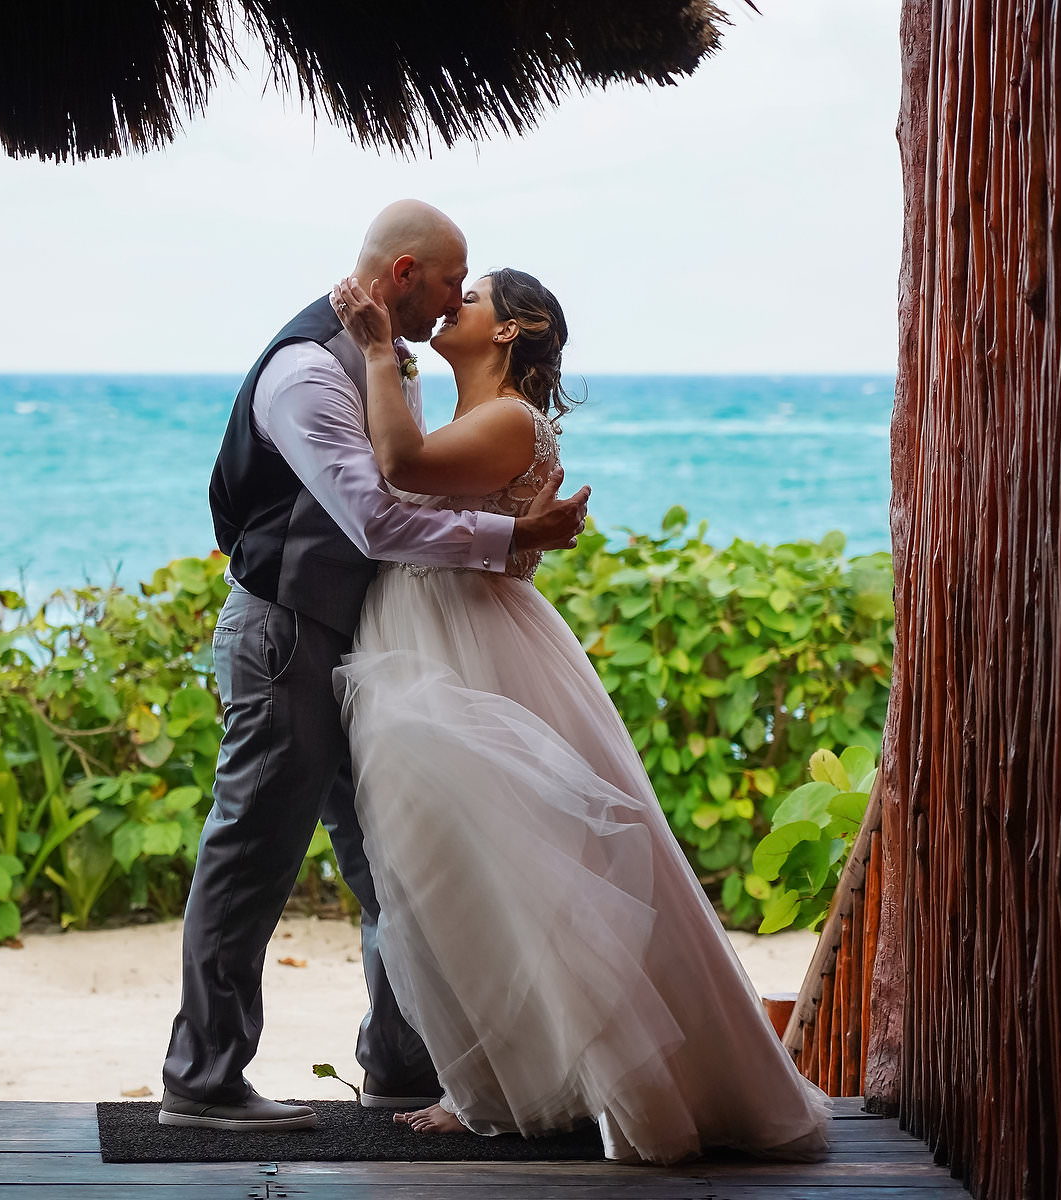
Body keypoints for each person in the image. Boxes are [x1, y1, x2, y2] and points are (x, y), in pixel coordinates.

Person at [327, 268, 834, 1164]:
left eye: (471, 299)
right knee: (462, 875)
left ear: (515, 329)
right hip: (433, 637)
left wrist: (374, 347)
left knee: (513, 873)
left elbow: (400, 469)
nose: (452, 309)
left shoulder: (513, 422)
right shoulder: (474, 418)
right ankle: (504, 1080)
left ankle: (547, 1084)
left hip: (465, 651)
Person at [159, 202, 591, 1132]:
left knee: (394, 857)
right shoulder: (309, 371)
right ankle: (201, 1081)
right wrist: (514, 533)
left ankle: (399, 1064)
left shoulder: (387, 361)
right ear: (404, 274)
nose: (451, 305)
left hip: (360, 641)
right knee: (251, 854)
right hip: (282, 632)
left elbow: (408, 485)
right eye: (449, 282)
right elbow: (376, 519)